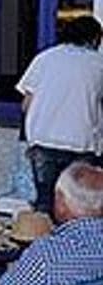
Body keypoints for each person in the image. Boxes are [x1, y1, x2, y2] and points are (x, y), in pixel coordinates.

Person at [17, 15, 103, 213]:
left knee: (46, 203)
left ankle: (45, 243)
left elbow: (26, 104)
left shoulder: (45, 58)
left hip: (44, 140)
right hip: (82, 143)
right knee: (82, 207)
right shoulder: (98, 64)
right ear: (94, 38)